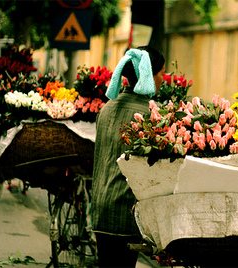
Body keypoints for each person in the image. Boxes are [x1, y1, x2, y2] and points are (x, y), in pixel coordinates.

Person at [91, 46, 166, 267]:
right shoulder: (149, 115)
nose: (164, 78)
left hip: (101, 210)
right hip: (126, 215)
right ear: (148, 75)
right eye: (161, 72)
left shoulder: (107, 109)